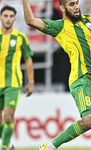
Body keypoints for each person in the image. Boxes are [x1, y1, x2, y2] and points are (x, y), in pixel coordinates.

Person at [22, 0, 91, 150]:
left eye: (77, 2)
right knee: (90, 120)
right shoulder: (60, 27)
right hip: (81, 80)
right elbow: (30, 20)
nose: (76, 6)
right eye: (71, 4)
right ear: (62, 8)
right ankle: (50, 147)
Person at [0, 5, 34, 150]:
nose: (8, 19)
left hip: (12, 83)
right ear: (1, 17)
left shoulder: (20, 37)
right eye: (5, 16)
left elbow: (28, 59)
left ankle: (4, 147)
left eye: (10, 16)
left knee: (8, 116)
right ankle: (9, 146)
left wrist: (31, 81)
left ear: (14, 18)